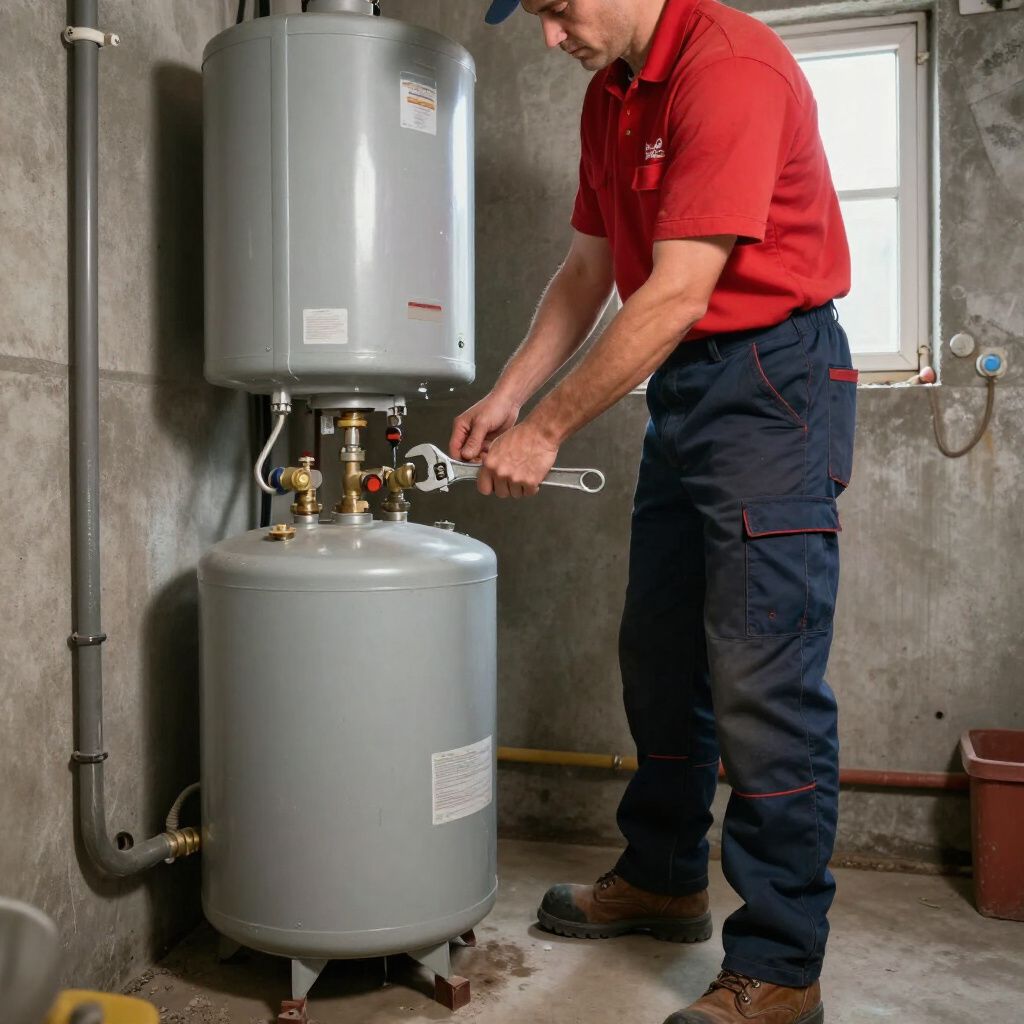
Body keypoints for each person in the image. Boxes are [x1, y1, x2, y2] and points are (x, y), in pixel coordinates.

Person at [454, 0, 856, 1021]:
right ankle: (665, 873)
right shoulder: (611, 96)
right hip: (685, 384)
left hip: (772, 380)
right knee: (661, 650)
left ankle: (780, 964)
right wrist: (510, 390)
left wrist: (544, 432)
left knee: (763, 672)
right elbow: (590, 268)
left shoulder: (730, 69)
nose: (548, 35)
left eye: (554, 5)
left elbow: (677, 291)